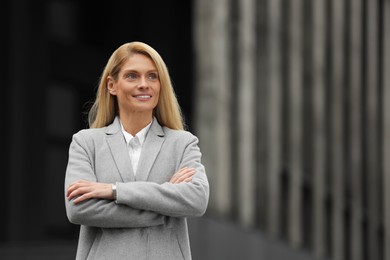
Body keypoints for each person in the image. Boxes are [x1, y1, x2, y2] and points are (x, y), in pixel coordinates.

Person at [64, 41, 209, 260]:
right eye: (132, 76)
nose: (144, 84)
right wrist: (165, 205)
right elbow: (78, 210)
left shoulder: (182, 143)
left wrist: (115, 191)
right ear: (112, 85)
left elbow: (197, 200)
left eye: (152, 76)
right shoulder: (86, 142)